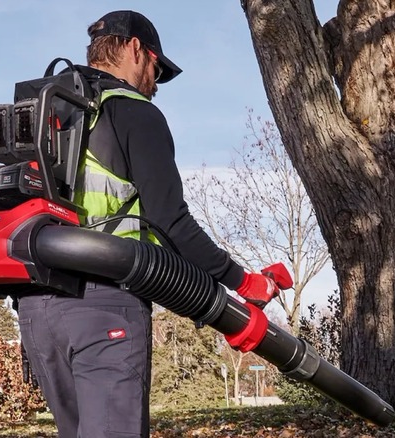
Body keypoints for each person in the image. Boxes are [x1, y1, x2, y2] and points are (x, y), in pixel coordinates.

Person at [16, 10, 280, 438]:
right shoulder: (133, 112)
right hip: (103, 303)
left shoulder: (48, 110)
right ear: (136, 49)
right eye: (157, 68)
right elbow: (169, 219)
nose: (155, 83)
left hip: (36, 309)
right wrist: (244, 281)